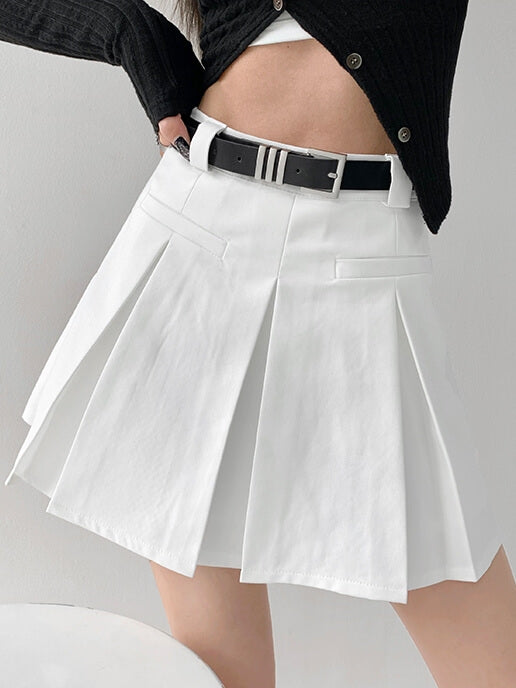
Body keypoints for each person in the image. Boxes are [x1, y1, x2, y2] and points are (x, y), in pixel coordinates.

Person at [2, 1, 516, 686]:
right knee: (221, 667)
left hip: (364, 245)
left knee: (476, 626)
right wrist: (126, 30)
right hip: (198, 223)